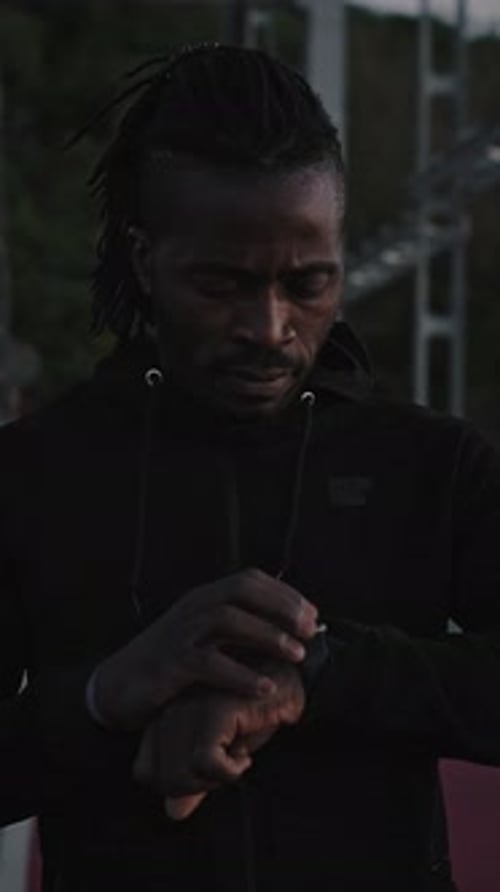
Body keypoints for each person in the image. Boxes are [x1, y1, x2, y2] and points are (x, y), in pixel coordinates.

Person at [1, 42, 499, 892]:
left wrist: (321, 674)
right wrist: (107, 696)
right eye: (221, 284)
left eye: (308, 283)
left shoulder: (435, 467)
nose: (270, 327)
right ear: (143, 256)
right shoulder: (33, 475)